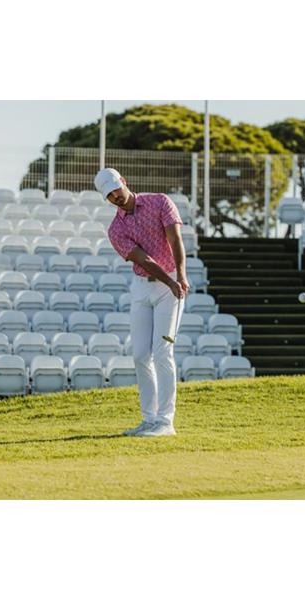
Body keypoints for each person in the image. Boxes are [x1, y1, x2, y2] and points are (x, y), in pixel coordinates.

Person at [94, 167, 189, 437]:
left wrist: (179, 276)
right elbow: (143, 259)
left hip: (171, 283)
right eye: (109, 195)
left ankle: (166, 422)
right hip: (142, 287)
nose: (115, 196)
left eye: (116, 189)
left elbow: (175, 239)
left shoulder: (160, 202)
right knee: (140, 355)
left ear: (123, 181)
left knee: (162, 352)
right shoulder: (116, 229)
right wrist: (170, 281)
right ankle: (149, 419)